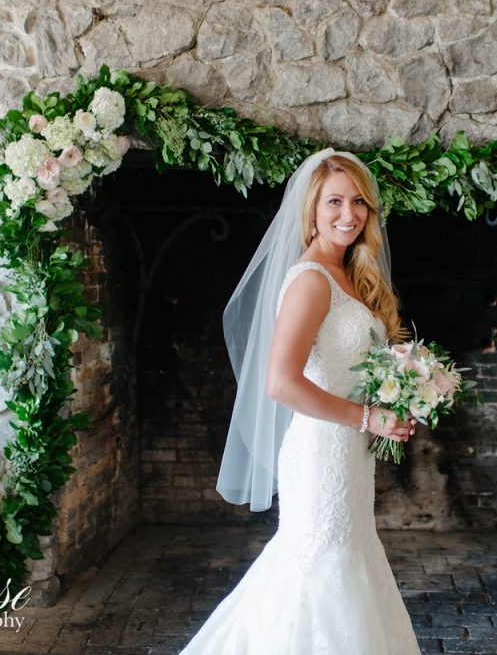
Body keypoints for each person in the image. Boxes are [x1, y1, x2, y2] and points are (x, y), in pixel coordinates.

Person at [178, 148, 421, 654]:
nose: (348, 215)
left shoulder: (349, 275)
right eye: (334, 201)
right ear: (311, 209)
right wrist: (368, 416)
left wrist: (401, 392)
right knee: (317, 568)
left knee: (347, 560)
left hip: (348, 452)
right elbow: (281, 383)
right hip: (319, 452)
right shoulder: (311, 280)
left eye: (358, 203)